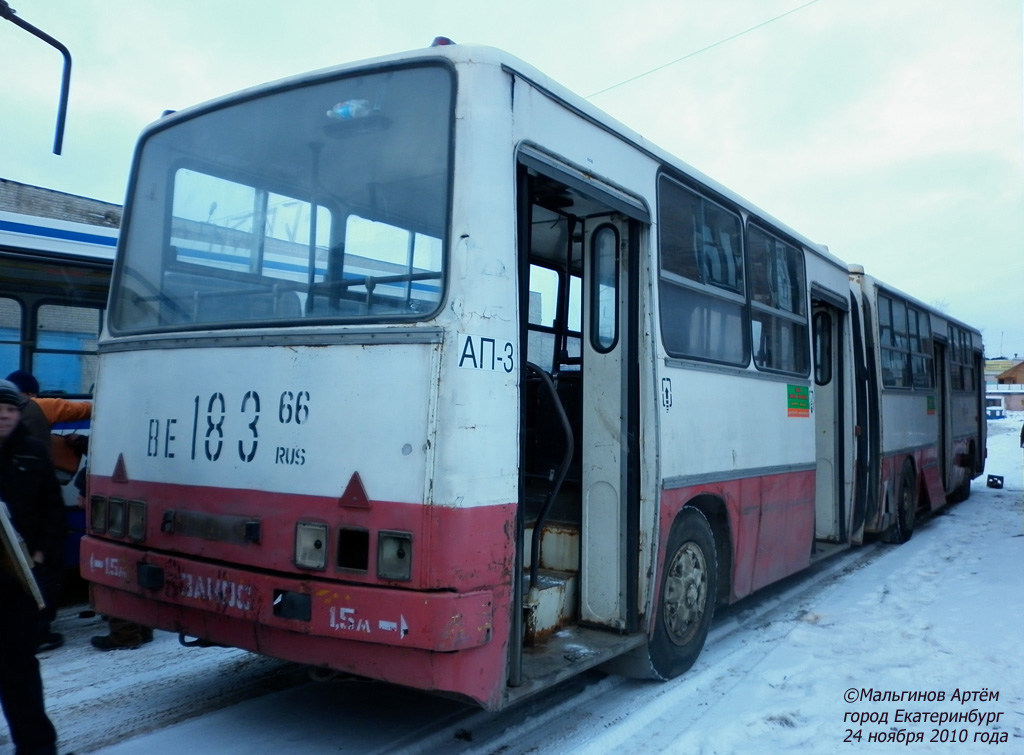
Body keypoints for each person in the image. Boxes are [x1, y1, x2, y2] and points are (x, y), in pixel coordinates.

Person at [4, 370, 92, 653]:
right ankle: (39, 630)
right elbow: (88, 407)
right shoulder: (44, 407)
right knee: (42, 572)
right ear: (31, 393)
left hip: (16, 518)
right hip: (34, 517)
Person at [0, 378, 62, 755]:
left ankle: (36, 746)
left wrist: (40, 556)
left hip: (18, 583)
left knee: (19, 667)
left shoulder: (34, 454)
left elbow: (53, 514)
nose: (3, 417)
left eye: (9, 410)